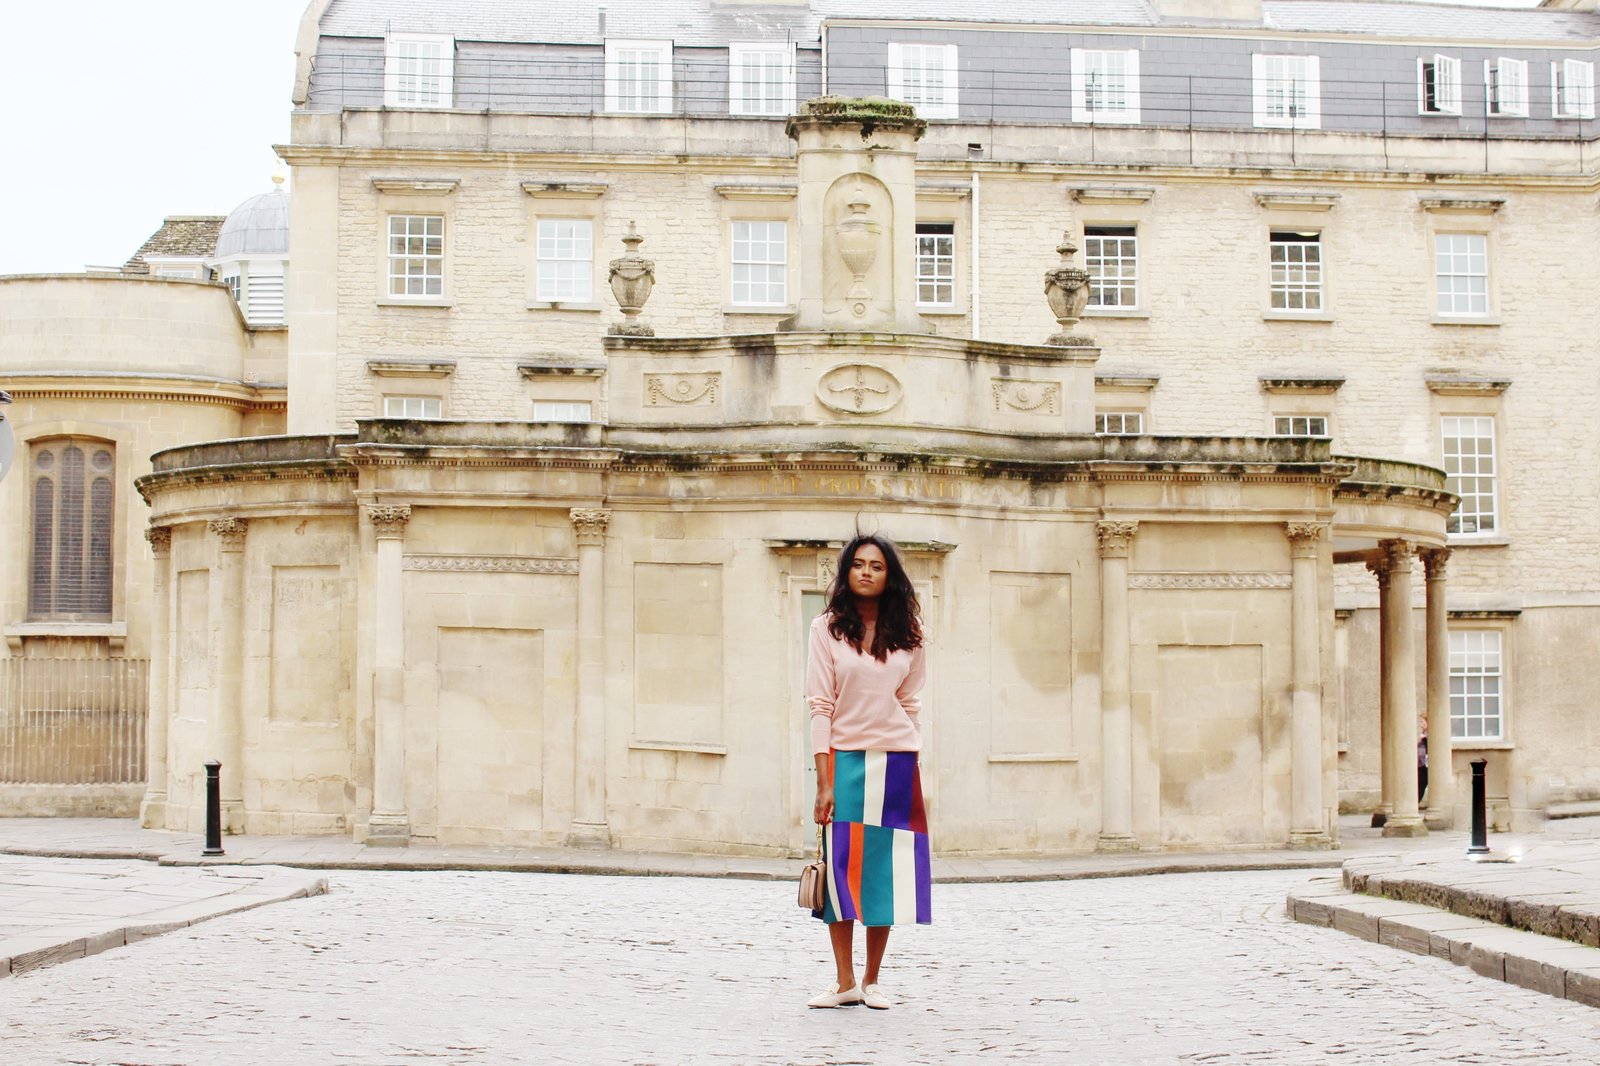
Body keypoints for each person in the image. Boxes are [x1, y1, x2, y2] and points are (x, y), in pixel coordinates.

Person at [804, 533, 931, 1011]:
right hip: (847, 762)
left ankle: (873, 980)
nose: (866, 572)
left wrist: (913, 763)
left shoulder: (910, 631)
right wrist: (824, 780)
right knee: (841, 874)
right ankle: (844, 982)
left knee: (885, 873)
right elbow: (820, 705)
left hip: (896, 764)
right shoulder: (826, 629)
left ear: (888, 575)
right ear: (846, 572)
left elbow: (910, 702)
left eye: (876, 566)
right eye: (857, 564)